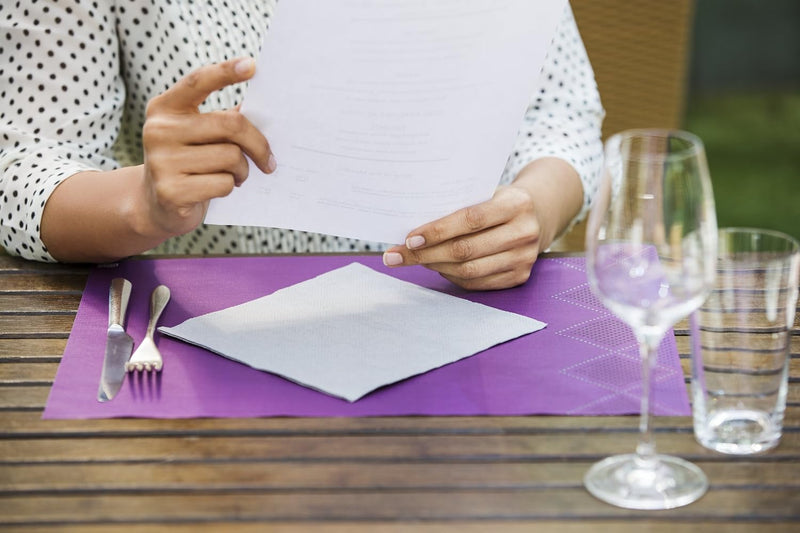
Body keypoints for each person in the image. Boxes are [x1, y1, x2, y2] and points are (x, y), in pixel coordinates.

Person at [0, 1, 604, 291]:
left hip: (454, 304)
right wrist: (142, 203)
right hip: (208, 320)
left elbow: (560, 110)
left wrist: (533, 212)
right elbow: (21, 168)